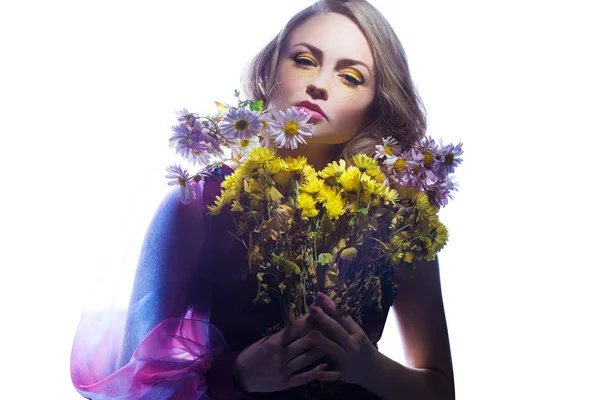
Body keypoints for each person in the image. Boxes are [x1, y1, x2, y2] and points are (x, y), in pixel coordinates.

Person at [70, 1, 455, 399]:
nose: (320, 84)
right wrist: (234, 375)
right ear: (269, 70)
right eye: (304, 60)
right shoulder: (201, 201)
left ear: (376, 106)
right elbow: (139, 382)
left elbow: (442, 390)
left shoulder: (401, 223)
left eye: (351, 77)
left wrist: (370, 368)